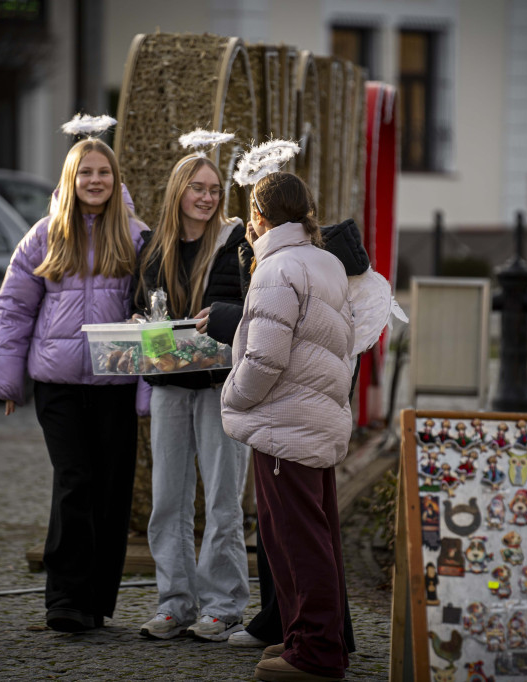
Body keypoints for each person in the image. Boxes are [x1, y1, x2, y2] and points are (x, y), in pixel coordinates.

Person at [0, 129, 150, 633]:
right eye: (86, 172)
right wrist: (8, 379)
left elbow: (151, 314)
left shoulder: (136, 236)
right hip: (57, 383)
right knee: (73, 482)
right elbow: (14, 308)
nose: (95, 180)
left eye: (103, 172)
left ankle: (97, 602)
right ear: (71, 178)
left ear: (114, 178)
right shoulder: (44, 234)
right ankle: (63, 599)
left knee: (111, 491)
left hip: (116, 382)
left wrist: (146, 390)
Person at [222, 171, 354, 682]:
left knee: (295, 540)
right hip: (315, 418)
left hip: (285, 424)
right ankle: (313, 639)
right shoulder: (324, 262)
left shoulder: (277, 268)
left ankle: (316, 653)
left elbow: (265, 358)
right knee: (316, 535)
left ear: (258, 215)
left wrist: (232, 395)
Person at [134, 153, 251, 642]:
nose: (206, 197)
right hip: (169, 388)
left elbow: (255, 308)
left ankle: (223, 605)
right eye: (197, 188)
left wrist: (219, 314)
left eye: (213, 189)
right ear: (177, 191)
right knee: (168, 502)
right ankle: (174, 603)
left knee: (223, 501)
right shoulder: (153, 249)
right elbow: (137, 310)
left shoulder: (235, 244)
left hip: (219, 387)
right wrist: (144, 329)